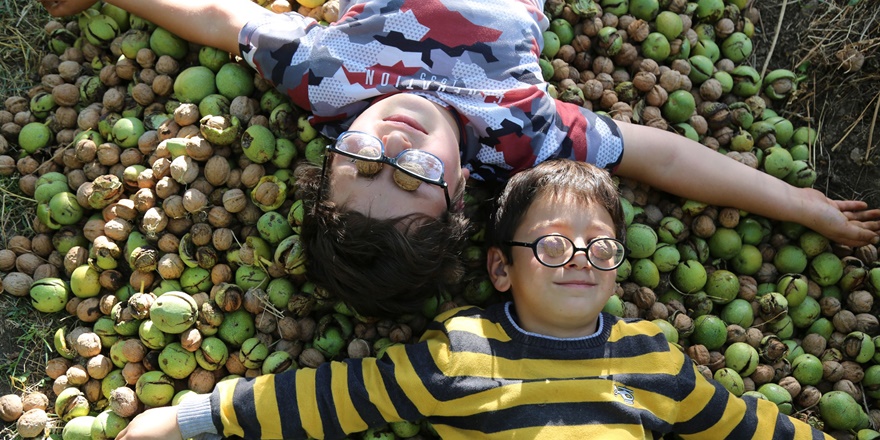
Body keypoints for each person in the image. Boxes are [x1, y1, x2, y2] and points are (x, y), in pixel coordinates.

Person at [40, 0, 880, 318]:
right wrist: (798, 202)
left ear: (330, 154)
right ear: (460, 203)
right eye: (411, 180)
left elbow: (223, 20)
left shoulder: (326, 85)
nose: (392, 147)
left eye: (361, 162)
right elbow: (659, 154)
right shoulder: (521, 139)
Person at [116, 159, 831, 439]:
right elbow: (337, 397)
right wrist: (194, 420)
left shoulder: (654, 357)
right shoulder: (461, 352)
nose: (580, 258)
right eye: (551, 245)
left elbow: (750, 426)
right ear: (499, 269)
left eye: (602, 247)